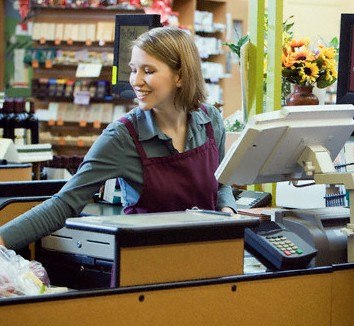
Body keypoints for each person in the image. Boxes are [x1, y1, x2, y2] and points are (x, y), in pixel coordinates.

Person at [0, 27, 237, 250]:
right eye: (134, 69)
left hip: (210, 260)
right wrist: (2, 239)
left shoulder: (211, 121)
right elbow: (65, 204)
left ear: (181, 77)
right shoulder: (122, 136)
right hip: (144, 270)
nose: (135, 80)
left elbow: (220, 183)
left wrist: (228, 209)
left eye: (148, 70)